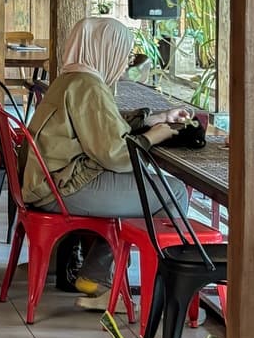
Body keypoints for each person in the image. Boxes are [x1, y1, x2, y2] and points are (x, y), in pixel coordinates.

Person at [21, 15, 189, 295]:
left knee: (140, 192)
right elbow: (115, 154)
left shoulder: (72, 78)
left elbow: (101, 125)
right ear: (104, 50)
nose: (124, 64)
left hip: (47, 182)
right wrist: (153, 136)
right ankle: (160, 286)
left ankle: (98, 275)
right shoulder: (88, 86)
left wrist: (153, 119)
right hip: (62, 188)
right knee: (173, 193)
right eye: (122, 54)